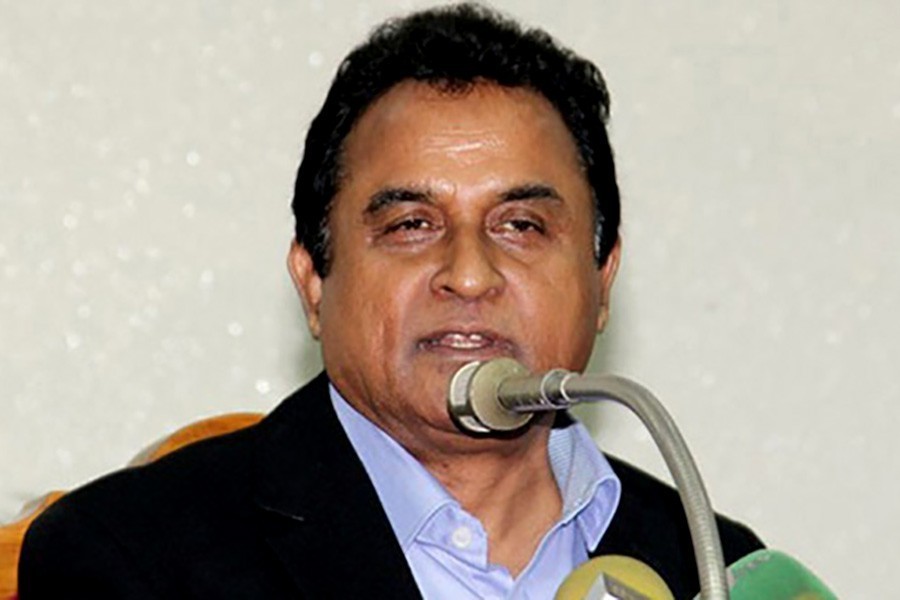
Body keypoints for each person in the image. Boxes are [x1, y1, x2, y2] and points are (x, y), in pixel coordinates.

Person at [19, 4, 762, 598]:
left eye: (520, 226)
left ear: (602, 281)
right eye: (411, 225)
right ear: (314, 282)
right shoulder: (133, 558)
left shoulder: (719, 569)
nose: (468, 275)